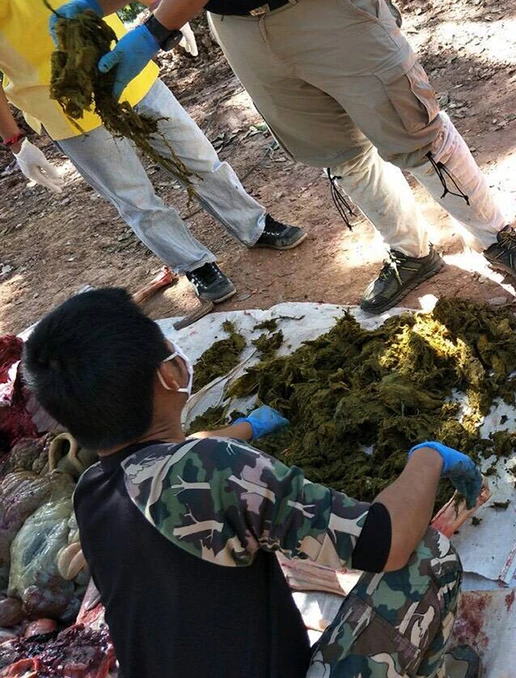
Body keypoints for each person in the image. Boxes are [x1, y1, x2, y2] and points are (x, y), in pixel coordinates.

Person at [22, 287, 483, 678]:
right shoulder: (214, 469)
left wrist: (246, 428)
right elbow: (386, 541)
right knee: (426, 555)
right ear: (169, 373)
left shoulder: (91, 492)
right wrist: (427, 458)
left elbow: (170, 461)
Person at [53, 0, 516, 314]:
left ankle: (496, 237)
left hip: (323, 4)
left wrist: (154, 31)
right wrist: (87, 3)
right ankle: (410, 251)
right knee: (339, 151)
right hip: (238, 26)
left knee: (416, 133)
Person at [1, 0, 307, 305]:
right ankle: (195, 264)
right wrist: (16, 141)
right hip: (63, 104)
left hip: (127, 65)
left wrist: (159, 5)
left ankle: (254, 225)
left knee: (200, 160)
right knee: (135, 198)